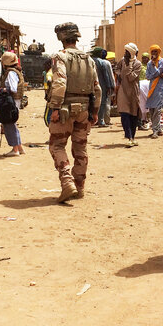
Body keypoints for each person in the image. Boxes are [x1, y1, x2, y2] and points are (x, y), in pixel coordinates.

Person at [47, 22, 102, 203]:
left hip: (64, 109)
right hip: (85, 110)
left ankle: (67, 181)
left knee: (57, 146)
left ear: (61, 38)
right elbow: (97, 89)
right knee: (80, 148)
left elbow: (60, 83)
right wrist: (94, 112)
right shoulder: (89, 59)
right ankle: (79, 187)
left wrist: (55, 107)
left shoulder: (60, 57)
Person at [116, 43, 142, 147]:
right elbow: (117, 69)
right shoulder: (122, 61)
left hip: (133, 91)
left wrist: (128, 66)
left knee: (133, 115)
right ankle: (129, 137)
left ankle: (133, 138)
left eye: (127, 52)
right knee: (124, 114)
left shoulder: (137, 64)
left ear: (131, 53)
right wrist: (118, 75)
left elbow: (131, 78)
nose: (125, 53)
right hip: (123, 90)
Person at [1, 52, 26, 156]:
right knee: (13, 124)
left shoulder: (10, 73)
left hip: (10, 101)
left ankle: (15, 149)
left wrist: (2, 90)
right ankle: (19, 148)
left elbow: (13, 88)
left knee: (9, 124)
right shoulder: (15, 71)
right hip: (14, 101)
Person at [145, 44, 163, 139]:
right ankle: (159, 129)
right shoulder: (149, 63)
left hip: (159, 88)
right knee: (151, 109)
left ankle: (155, 131)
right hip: (152, 89)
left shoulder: (162, 61)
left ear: (158, 52)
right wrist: (157, 74)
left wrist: (155, 70)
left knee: (157, 110)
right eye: (152, 52)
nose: (154, 53)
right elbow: (148, 76)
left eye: (155, 52)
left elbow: (157, 72)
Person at [90, 47, 115, 128]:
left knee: (92, 103)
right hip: (101, 86)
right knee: (102, 102)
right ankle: (100, 120)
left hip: (90, 86)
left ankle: (92, 120)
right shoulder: (102, 62)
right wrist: (109, 86)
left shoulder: (89, 61)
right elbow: (106, 76)